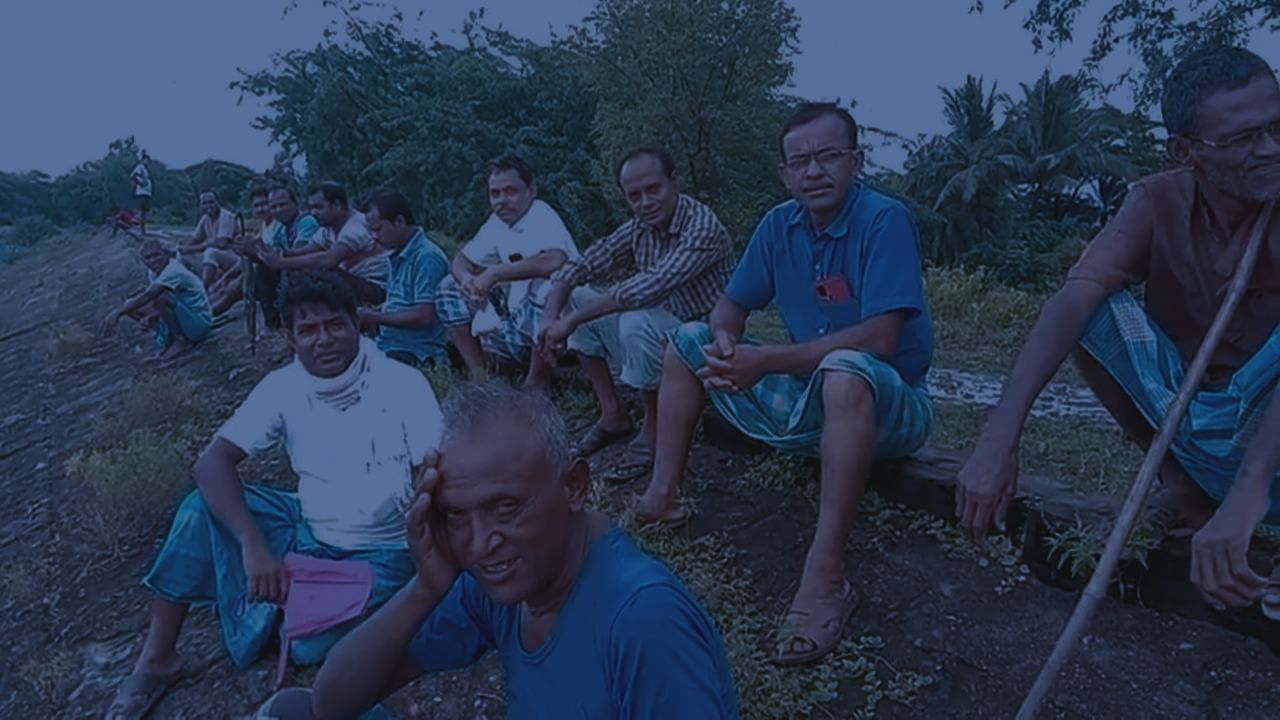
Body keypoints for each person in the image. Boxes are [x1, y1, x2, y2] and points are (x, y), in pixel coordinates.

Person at [955, 46, 1280, 612]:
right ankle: (1185, 487)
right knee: (1090, 311)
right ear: (1184, 152)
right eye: (1245, 139)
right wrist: (998, 439)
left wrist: (1252, 484)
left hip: (1271, 446)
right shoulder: (1157, 200)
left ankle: (1245, 497)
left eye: (1278, 127)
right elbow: (1074, 300)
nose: (1272, 149)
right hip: (1202, 425)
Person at [638, 103, 934, 665]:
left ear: (856, 161)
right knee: (687, 340)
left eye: (828, 157)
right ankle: (663, 497)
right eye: (799, 161)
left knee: (845, 372)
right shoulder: (780, 225)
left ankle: (825, 578)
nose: (813, 171)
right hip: (811, 396)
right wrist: (726, 341)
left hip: (890, 404)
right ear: (784, 173)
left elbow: (881, 339)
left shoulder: (883, 218)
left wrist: (767, 358)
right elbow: (730, 305)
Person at [255, 382, 739, 720]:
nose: (481, 542)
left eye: (505, 508)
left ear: (573, 486)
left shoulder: (644, 621)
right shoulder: (497, 579)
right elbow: (332, 702)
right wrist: (425, 588)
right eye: (456, 516)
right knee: (290, 712)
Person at [106, 271, 443, 720]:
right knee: (197, 508)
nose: (324, 339)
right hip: (307, 523)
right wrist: (252, 545)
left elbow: (432, 472)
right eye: (308, 329)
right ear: (291, 338)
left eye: (336, 324)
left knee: (305, 647)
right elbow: (211, 463)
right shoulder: (283, 387)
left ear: (357, 324)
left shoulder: (402, 383)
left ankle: (288, 602)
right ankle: (157, 659)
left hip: (382, 549)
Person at [537, 145, 735, 467]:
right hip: (660, 333)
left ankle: (655, 426)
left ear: (675, 182)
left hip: (704, 342)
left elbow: (649, 286)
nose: (645, 202)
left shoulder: (702, 227)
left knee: (635, 319)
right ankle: (612, 412)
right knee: (577, 297)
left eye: (653, 189)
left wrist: (569, 322)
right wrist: (550, 317)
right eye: (635, 195)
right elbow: (582, 264)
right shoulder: (639, 226)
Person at [435, 155, 579, 383]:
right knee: (448, 287)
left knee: (544, 287)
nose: (502, 200)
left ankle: (536, 385)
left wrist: (493, 273)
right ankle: (481, 378)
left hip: (563, 331)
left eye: (511, 191)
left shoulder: (540, 214)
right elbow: (461, 259)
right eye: (495, 193)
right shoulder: (497, 223)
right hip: (518, 322)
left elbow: (555, 260)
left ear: (531, 191)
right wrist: (467, 280)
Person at [358, 191, 451, 366]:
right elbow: (402, 303)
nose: (374, 237)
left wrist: (374, 317)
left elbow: (425, 317)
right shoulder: (398, 253)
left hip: (416, 351)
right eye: (371, 231)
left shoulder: (426, 257)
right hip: (390, 344)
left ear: (399, 222)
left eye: (378, 229)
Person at [260, 183, 389, 306]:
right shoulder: (329, 227)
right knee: (298, 268)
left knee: (314, 270)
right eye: (311, 207)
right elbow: (308, 249)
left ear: (337, 205)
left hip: (374, 288)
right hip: (353, 281)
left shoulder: (356, 227)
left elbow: (328, 259)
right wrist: (272, 252)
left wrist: (281, 262)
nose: (313, 212)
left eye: (318, 207)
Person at [100, 238, 215, 364]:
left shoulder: (173, 270)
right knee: (130, 304)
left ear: (166, 253)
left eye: (156, 255)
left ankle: (180, 340)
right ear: (143, 261)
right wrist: (151, 315)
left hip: (199, 322)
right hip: (183, 312)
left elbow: (149, 296)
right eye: (148, 258)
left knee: (159, 298)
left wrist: (116, 313)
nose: (153, 260)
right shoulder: (154, 272)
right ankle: (165, 337)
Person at [236, 187, 321, 329]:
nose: (279, 210)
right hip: (296, 272)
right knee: (261, 270)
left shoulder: (306, 222)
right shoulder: (282, 228)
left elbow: (298, 252)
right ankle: (274, 323)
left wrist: (257, 250)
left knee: (279, 271)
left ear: (296, 204)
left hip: (313, 271)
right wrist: (251, 250)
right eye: (274, 206)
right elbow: (272, 253)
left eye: (283, 204)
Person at [209, 186, 273, 316]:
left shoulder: (277, 225)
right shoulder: (265, 226)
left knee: (234, 288)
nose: (261, 209)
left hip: (270, 273)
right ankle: (205, 307)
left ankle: (209, 314)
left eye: (265, 204)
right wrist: (227, 275)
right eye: (257, 206)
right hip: (261, 269)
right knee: (224, 282)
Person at [179, 190, 240, 289]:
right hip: (215, 257)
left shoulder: (226, 216)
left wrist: (191, 248)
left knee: (210, 252)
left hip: (232, 257)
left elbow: (222, 243)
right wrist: (182, 247)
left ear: (217, 202)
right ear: (201, 206)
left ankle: (204, 288)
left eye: (211, 202)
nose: (208, 206)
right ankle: (184, 286)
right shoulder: (205, 218)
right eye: (204, 203)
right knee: (182, 256)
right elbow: (195, 238)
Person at [131, 151, 153, 236]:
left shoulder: (145, 170)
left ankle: (143, 230)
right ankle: (141, 230)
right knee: (142, 212)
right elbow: (134, 176)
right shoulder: (139, 167)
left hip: (147, 193)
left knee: (145, 212)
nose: (147, 162)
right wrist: (141, 184)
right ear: (143, 160)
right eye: (146, 160)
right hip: (142, 193)